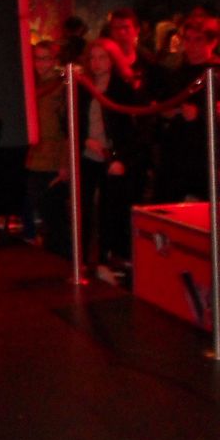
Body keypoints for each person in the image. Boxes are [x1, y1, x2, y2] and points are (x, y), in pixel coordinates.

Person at [77, 37, 137, 273]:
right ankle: (81, 257)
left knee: (109, 209)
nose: (96, 63)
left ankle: (105, 256)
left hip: (112, 155)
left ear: (112, 60)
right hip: (87, 154)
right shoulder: (83, 87)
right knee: (83, 207)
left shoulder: (122, 89)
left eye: (102, 57)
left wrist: (121, 158)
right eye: (93, 58)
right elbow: (71, 119)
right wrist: (84, 139)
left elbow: (131, 129)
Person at [155, 15, 219, 202]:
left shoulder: (216, 72)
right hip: (177, 155)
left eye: (198, 40)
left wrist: (201, 114)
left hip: (207, 154)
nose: (192, 46)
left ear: (212, 42)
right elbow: (162, 106)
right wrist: (165, 112)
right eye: (188, 39)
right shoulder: (175, 74)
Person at [23, 40, 68, 252]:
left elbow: (67, 128)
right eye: (37, 59)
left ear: (54, 60)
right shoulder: (32, 83)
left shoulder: (61, 86)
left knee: (55, 216)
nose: (41, 64)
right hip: (34, 156)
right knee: (39, 211)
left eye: (45, 58)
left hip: (53, 158)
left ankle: (61, 257)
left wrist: (65, 162)